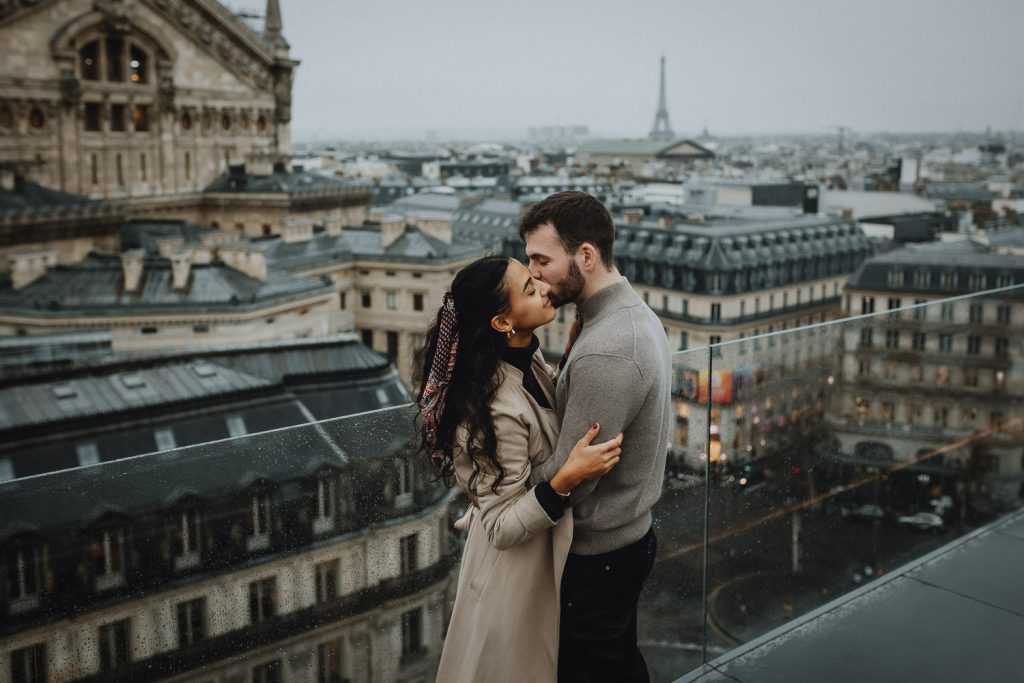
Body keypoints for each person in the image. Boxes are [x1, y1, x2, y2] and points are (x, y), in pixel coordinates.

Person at [416, 254, 624, 683]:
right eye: (529, 290)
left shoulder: (524, 360)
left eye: (534, 279)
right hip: (513, 581)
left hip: (539, 565)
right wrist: (566, 478)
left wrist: (569, 360)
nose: (544, 287)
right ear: (501, 322)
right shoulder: (492, 409)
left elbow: (538, 427)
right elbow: (501, 527)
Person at [520, 191, 673, 683]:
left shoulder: (608, 349)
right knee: (616, 663)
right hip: (625, 537)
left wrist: (506, 487)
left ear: (585, 255)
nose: (533, 275)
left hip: (597, 551)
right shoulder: (627, 316)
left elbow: (574, 476)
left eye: (541, 260)